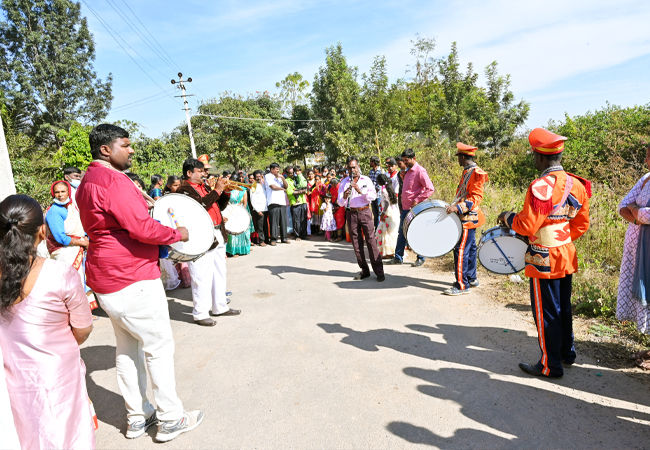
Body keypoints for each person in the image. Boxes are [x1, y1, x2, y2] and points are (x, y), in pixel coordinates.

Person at [76, 124, 204, 442]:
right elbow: (141, 228)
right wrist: (180, 233)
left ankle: (138, 416)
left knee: (127, 348)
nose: (131, 150)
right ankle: (171, 418)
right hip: (132, 276)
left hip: (105, 279)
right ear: (106, 149)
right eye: (125, 144)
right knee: (158, 347)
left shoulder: (86, 181)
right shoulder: (113, 180)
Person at [0, 194, 95, 450]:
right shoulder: (60, 275)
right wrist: (61, 343)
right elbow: (84, 328)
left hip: (12, 375)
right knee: (68, 434)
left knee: (26, 433)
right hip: (59, 374)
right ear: (43, 230)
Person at [498, 127, 590, 378]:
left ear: (540, 157)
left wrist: (508, 218)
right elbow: (581, 225)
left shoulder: (541, 186)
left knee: (546, 310)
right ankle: (566, 353)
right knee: (563, 307)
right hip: (566, 254)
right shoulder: (577, 184)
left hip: (543, 258)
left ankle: (550, 365)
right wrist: (560, 239)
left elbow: (526, 225)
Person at [178, 158, 241, 325]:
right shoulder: (183, 190)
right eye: (200, 171)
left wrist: (225, 192)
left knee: (219, 272)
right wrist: (217, 190)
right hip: (201, 236)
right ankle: (200, 313)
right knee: (201, 275)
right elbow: (198, 207)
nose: (204, 174)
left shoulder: (204, 186)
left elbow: (217, 206)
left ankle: (220, 307)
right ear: (189, 173)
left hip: (217, 232)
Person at [616, 145, 650, 368]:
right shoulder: (647, 178)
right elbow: (623, 206)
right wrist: (639, 214)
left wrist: (638, 211)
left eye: (649, 155)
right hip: (637, 247)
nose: (646, 159)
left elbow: (641, 211)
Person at [443, 143, 489, 296]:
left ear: (463, 157)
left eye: (458, 157)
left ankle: (462, 285)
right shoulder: (468, 171)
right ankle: (471, 277)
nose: (458, 160)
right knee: (470, 248)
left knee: (461, 250)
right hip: (467, 216)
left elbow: (476, 197)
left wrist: (458, 207)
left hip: (467, 217)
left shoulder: (476, 173)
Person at [45, 180, 97, 311]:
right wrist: (82, 242)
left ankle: (84, 311)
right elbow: (60, 237)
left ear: (68, 192)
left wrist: (85, 239)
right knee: (71, 283)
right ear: (53, 194)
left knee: (81, 281)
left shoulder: (72, 206)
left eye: (63, 191)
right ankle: (76, 313)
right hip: (65, 252)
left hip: (78, 248)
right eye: (57, 192)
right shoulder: (54, 212)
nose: (60, 195)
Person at [337, 156, 385, 282]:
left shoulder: (366, 180)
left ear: (358, 166)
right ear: (347, 168)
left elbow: (373, 196)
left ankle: (379, 271)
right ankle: (364, 270)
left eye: (354, 167)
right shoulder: (343, 182)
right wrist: (344, 196)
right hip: (351, 214)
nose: (352, 170)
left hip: (365, 212)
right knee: (356, 244)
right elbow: (340, 203)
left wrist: (360, 191)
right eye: (349, 168)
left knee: (371, 241)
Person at [386, 148, 435, 267]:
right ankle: (398, 257)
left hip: (416, 208)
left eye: (406, 160)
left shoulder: (420, 171)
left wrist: (417, 200)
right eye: (403, 160)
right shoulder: (406, 171)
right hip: (406, 208)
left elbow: (430, 189)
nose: (405, 162)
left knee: (417, 232)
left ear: (414, 159)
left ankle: (420, 257)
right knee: (402, 232)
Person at [226, 173, 252, 256]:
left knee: (242, 232)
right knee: (232, 233)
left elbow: (245, 204)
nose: (233, 183)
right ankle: (232, 251)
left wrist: (240, 211)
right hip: (230, 212)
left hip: (240, 212)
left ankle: (242, 250)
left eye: (234, 182)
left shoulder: (243, 190)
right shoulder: (228, 190)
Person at [375, 174, 400, 258]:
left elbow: (386, 202)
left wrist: (383, 213)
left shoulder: (383, 191)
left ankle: (388, 252)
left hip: (387, 212)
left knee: (386, 232)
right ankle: (392, 251)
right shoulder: (389, 189)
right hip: (393, 211)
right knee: (391, 232)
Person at [265, 162, 290, 245]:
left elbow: (286, 186)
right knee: (274, 221)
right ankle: (273, 239)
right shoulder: (268, 176)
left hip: (282, 202)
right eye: (276, 169)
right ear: (272, 169)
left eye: (278, 169)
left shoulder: (280, 177)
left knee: (283, 221)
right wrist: (282, 189)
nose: (278, 171)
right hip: (273, 201)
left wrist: (282, 178)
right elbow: (273, 187)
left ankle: (284, 238)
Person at [288, 166, 309, 241]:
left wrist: (301, 190)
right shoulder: (287, 180)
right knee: (296, 220)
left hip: (303, 201)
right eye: (291, 173)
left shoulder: (300, 177)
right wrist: (300, 191)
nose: (293, 174)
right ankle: (297, 236)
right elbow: (289, 192)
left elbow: (305, 188)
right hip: (294, 202)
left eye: (298, 171)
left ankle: (303, 235)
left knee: (303, 219)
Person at [250, 170, 269, 246]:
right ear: (254, 178)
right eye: (256, 177)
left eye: (259, 176)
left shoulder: (264, 184)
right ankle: (261, 241)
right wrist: (257, 210)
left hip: (265, 208)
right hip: (259, 209)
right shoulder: (253, 186)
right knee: (260, 226)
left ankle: (267, 240)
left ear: (262, 176)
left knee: (265, 225)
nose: (258, 178)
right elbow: (252, 199)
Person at [368, 156, 383, 228]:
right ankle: (376, 228)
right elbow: (369, 183)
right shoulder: (371, 172)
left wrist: (373, 190)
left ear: (373, 162)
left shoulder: (381, 172)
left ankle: (380, 228)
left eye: (371, 161)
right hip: (372, 196)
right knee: (375, 213)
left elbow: (380, 186)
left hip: (378, 195)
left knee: (380, 212)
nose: (370, 163)